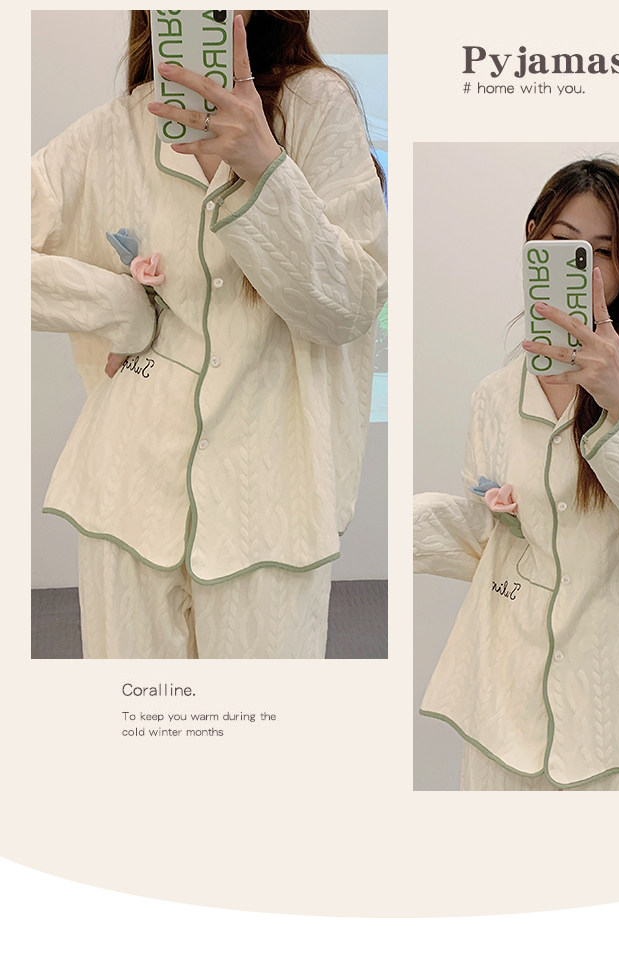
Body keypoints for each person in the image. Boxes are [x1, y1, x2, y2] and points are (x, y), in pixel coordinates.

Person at [32, 11, 388, 659]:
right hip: (125, 494)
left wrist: (264, 168)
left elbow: (346, 309)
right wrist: (116, 306)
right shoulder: (118, 128)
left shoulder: (317, 106)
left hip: (271, 508)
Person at [414, 159, 619, 791]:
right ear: (533, 240)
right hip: (508, 710)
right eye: (562, 245)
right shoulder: (495, 395)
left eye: (603, 252)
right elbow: (497, 542)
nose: (583, 268)